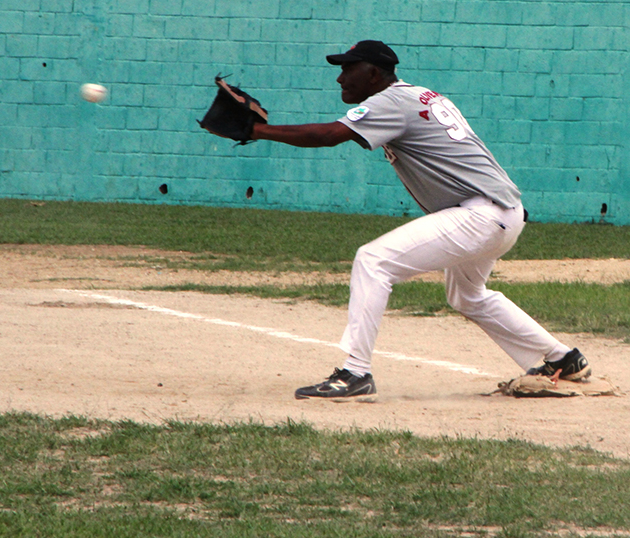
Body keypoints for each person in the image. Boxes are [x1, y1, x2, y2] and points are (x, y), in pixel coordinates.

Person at [251, 40, 590, 400]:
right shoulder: (419, 95)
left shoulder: (389, 101)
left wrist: (253, 130)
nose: (340, 78)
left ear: (373, 73)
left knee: (373, 260)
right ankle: (562, 358)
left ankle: (355, 373)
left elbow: (329, 135)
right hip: (503, 211)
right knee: (468, 296)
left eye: (348, 69)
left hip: (482, 214)